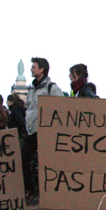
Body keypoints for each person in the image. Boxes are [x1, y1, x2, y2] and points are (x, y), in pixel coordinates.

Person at [25, 57, 64, 201]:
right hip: (31, 131)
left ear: (42, 69)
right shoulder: (31, 89)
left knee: (45, 163)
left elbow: (60, 108)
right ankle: (31, 190)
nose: (31, 69)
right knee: (24, 159)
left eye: (34, 67)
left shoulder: (51, 88)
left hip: (44, 132)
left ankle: (45, 193)